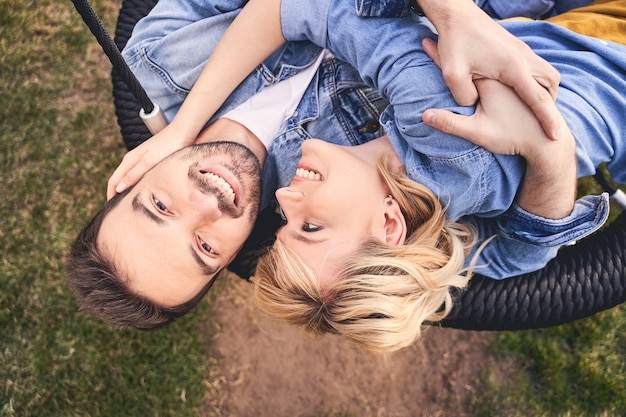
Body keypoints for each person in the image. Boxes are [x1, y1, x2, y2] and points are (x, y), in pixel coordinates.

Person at [64, 0, 567, 329]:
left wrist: (450, 13)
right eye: (205, 245)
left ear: (126, 180)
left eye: (158, 205)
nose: (208, 204)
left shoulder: (159, 65)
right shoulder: (331, 206)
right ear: (232, 258)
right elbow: (507, 258)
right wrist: (553, 161)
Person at [191, 0, 624, 351]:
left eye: (285, 224)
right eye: (310, 226)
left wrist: (553, 160)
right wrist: (184, 133)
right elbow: (316, 8)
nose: (283, 198)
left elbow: (518, 259)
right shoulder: (440, 125)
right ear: (389, 225)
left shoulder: (434, 221)